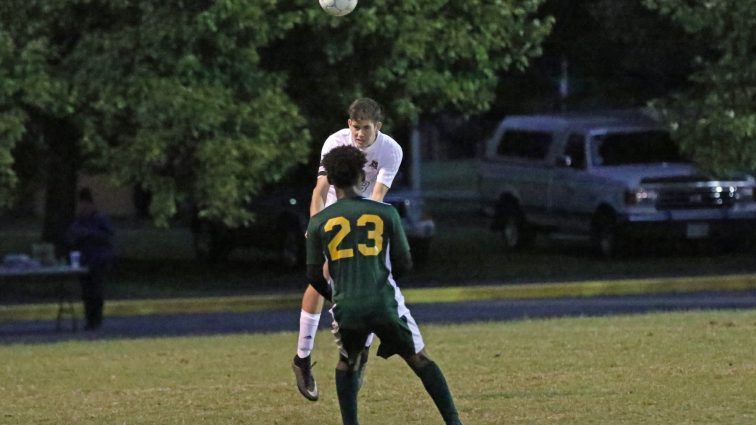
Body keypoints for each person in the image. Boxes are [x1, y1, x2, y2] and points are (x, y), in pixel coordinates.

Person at [305, 145, 463, 425]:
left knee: (349, 361)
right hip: (383, 301)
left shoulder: (319, 223)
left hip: (348, 306)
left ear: (330, 180)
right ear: (360, 176)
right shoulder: (385, 213)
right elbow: (404, 263)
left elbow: (314, 275)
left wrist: (337, 294)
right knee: (420, 359)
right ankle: (454, 422)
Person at [292, 97, 403, 401]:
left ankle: (361, 353)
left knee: (368, 281)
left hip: (364, 217)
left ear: (377, 127)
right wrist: (315, 229)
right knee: (320, 279)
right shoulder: (335, 142)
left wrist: (361, 230)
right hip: (334, 215)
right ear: (348, 124)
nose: (359, 134)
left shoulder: (391, 150)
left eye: (365, 128)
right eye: (355, 127)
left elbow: (377, 196)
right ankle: (302, 358)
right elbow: (320, 191)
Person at [66, 187, 115, 331]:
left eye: (85, 205)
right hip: (85, 261)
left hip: (98, 260)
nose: (82, 208)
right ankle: (89, 319)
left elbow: (107, 236)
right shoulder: (80, 221)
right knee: (87, 292)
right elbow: (70, 236)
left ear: (90, 205)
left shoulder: (99, 219)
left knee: (96, 291)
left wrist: (88, 234)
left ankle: (96, 319)